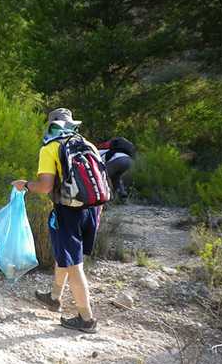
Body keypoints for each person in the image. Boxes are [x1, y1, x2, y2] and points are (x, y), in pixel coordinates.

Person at [12, 108, 100, 334]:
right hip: (92, 209)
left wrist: (25, 185)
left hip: (67, 211)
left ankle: (86, 318)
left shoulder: (51, 147)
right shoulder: (85, 143)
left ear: (51, 125)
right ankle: (54, 298)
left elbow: (45, 186)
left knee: (73, 264)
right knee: (66, 255)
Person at [97, 137, 135, 202]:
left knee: (104, 176)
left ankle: (109, 197)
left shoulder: (98, 152)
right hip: (129, 160)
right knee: (116, 177)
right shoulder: (111, 151)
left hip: (118, 160)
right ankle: (123, 195)